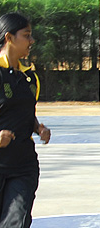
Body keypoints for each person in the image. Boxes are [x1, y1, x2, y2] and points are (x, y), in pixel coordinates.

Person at [0, 12, 51, 227]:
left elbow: (25, 112)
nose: (32, 41)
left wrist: (37, 127)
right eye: (26, 35)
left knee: (16, 222)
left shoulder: (30, 77)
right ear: (9, 38)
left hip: (23, 164)